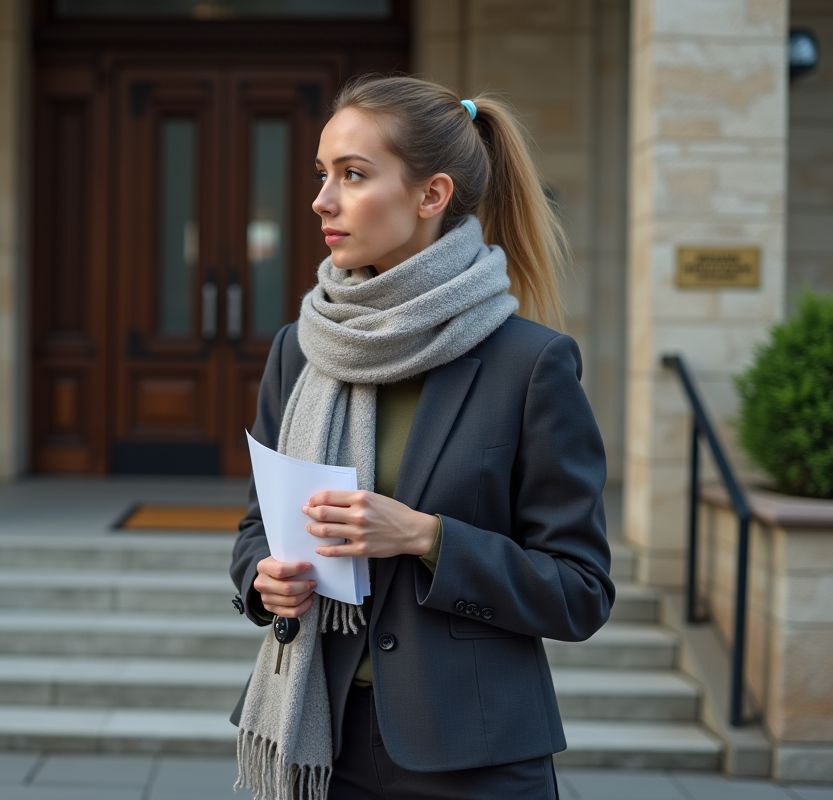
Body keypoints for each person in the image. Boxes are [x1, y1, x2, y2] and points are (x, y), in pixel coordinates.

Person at [229, 74, 614, 800]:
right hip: (320, 744)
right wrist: (263, 578)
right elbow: (257, 527)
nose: (322, 200)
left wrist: (426, 537)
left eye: (353, 175)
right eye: (322, 174)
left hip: (474, 758)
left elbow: (580, 592)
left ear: (431, 196)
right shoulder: (300, 349)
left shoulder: (529, 364)